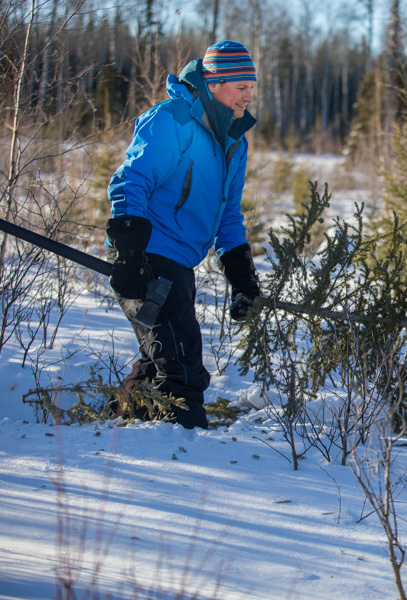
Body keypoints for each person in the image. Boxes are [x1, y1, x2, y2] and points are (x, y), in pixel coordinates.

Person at [104, 41, 262, 429]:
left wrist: (242, 277)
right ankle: (182, 443)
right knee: (181, 361)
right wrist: (128, 255)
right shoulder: (172, 120)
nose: (248, 96)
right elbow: (131, 182)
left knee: (165, 354)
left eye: (251, 87)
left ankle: (123, 425)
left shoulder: (234, 141)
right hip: (147, 256)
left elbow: (227, 214)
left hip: (179, 264)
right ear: (213, 82)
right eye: (241, 86)